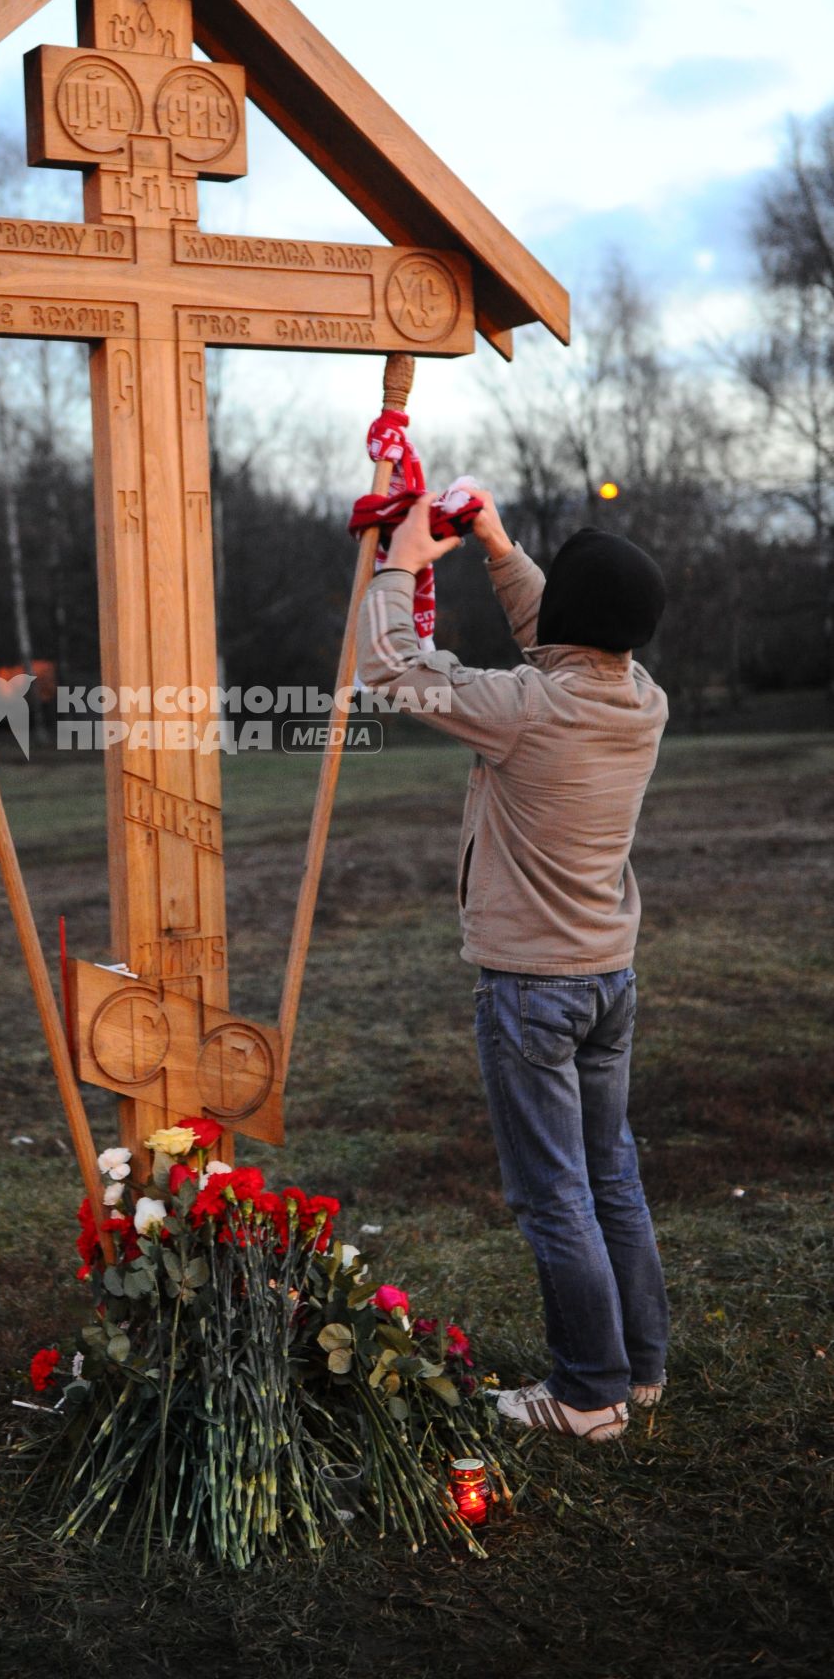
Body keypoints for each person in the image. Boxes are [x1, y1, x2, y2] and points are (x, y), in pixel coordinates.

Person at [355, 490, 669, 1443]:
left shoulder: (527, 710)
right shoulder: (639, 697)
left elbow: (391, 668)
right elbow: (560, 635)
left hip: (531, 989)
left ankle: (586, 1397)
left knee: (552, 1194)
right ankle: (638, 1371)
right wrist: (494, 545)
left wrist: (399, 563)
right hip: (606, 979)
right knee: (609, 1175)